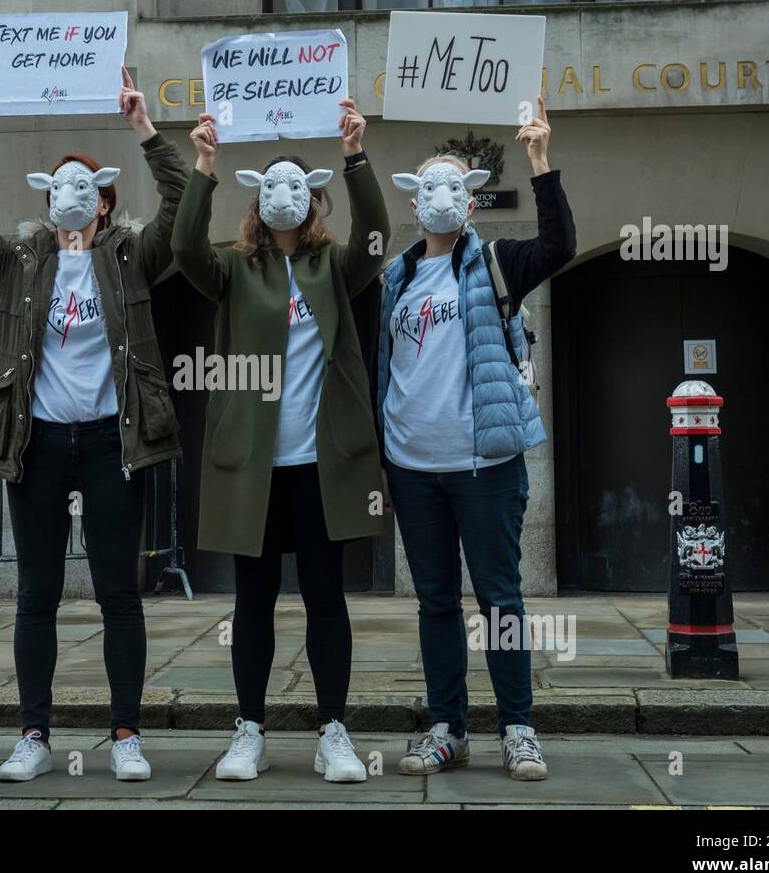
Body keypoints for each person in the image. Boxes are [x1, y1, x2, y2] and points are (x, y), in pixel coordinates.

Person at [0, 69, 188, 782]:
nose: (67, 197)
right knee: (36, 593)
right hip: (37, 444)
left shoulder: (130, 258)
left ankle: (126, 733)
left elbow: (184, 206)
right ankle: (34, 732)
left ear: (104, 203)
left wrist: (144, 125)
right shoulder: (20, 261)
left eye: (83, 187)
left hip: (113, 442)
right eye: (56, 187)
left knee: (117, 593)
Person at [171, 100, 389, 783]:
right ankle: (250, 729)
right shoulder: (236, 270)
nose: (284, 196)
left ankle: (333, 731)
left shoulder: (333, 267)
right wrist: (204, 164)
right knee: (253, 599)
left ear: (314, 197)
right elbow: (181, 250)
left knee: (327, 595)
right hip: (254, 468)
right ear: (257, 201)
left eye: (298, 185)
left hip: (323, 465)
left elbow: (379, 236)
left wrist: (356, 154)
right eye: (272, 186)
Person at [378, 96, 576, 780]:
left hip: (483, 464)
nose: (439, 194)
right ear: (413, 199)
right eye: (427, 182)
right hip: (412, 467)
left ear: (469, 201)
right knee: (435, 601)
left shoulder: (494, 264)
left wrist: (540, 161)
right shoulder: (395, 277)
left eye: (453, 185)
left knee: (500, 598)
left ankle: (518, 727)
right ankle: (447, 727)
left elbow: (560, 247)